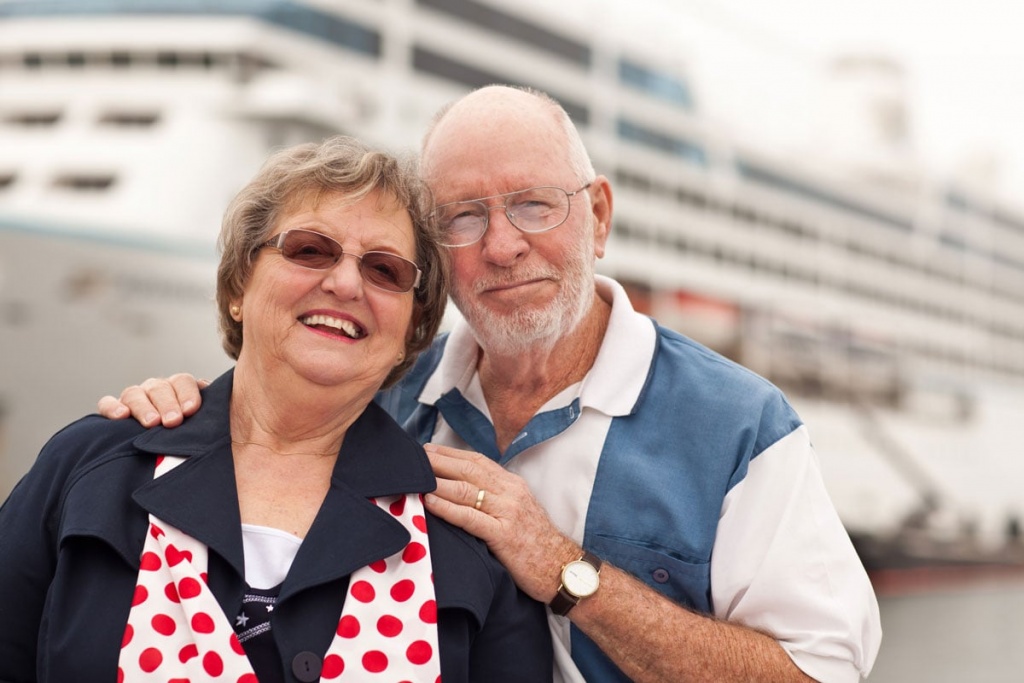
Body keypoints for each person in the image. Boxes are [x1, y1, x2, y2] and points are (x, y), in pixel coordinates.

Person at [98, 86, 882, 682]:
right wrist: (191, 409)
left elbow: (820, 672)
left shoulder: (737, 426)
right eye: (462, 218)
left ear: (599, 217)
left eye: (535, 205)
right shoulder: (386, 399)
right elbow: (269, 435)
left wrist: (570, 575)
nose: (503, 245)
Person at [0, 135, 552, 683]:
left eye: (385, 270)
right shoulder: (89, 470)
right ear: (240, 283)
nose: (344, 283)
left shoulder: (465, 541)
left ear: (413, 327)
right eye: (310, 249)